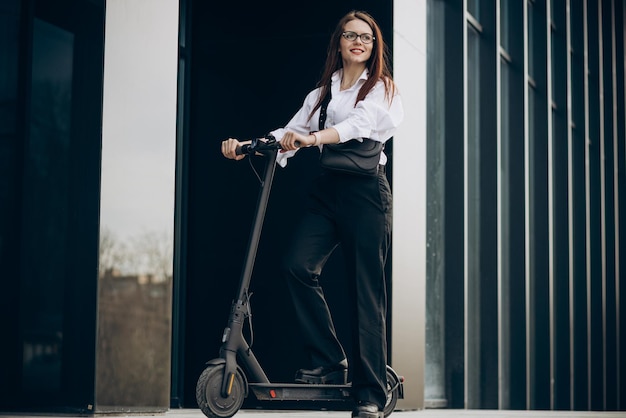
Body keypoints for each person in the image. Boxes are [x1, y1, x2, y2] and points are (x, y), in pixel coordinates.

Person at [221, 10, 403, 418]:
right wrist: (246, 145)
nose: (358, 42)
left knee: (364, 291)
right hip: (328, 192)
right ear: (338, 43)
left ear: (374, 48)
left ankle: (370, 394)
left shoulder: (381, 89)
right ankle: (327, 359)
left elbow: (359, 125)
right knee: (296, 266)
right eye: (350, 35)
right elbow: (288, 132)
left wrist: (312, 138)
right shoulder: (321, 93)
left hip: (366, 192)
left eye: (367, 38)